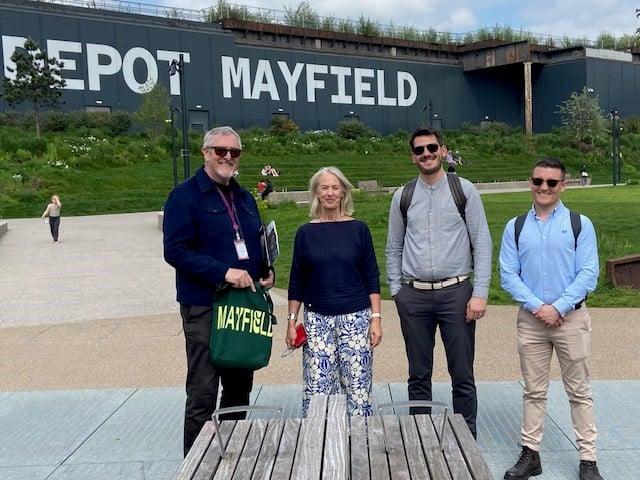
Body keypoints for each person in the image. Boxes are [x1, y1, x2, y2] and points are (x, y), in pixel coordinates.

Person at [163, 126, 275, 456]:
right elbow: (176, 251)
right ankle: (198, 465)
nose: (227, 157)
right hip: (205, 306)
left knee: (240, 388)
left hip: (241, 305)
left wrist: (264, 271)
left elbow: (251, 242)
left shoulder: (243, 196)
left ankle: (232, 456)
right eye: (220, 150)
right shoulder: (185, 196)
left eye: (234, 152)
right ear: (205, 152)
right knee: (203, 391)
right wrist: (224, 272)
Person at [385, 125, 492, 438]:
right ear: (413, 157)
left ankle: (466, 439)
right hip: (414, 296)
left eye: (432, 148)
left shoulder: (464, 190)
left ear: (443, 151)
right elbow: (393, 247)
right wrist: (396, 291)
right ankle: (421, 438)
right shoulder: (402, 196)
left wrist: (480, 292)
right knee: (418, 375)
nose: (426, 154)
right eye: (419, 150)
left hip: (456, 293)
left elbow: (482, 242)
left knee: (461, 373)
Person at [499, 157, 603, 480]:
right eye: (538, 181)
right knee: (533, 390)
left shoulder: (579, 224)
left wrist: (558, 307)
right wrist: (539, 307)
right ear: (530, 183)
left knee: (579, 391)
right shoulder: (515, 227)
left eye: (551, 182)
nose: (544, 187)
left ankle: (588, 459)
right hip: (532, 321)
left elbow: (588, 274)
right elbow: (507, 275)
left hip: (570, 319)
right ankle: (531, 454)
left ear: (563, 185)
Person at [286, 166, 382, 417]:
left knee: (358, 387)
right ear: (316, 192)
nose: (330, 193)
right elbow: (296, 280)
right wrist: (291, 321)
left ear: (343, 192)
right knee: (318, 386)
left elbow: (372, 276)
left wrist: (376, 318)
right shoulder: (305, 233)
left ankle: (359, 443)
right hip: (317, 320)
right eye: (324, 187)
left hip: (355, 318)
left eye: (335, 187)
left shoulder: (359, 229)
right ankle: (320, 443)